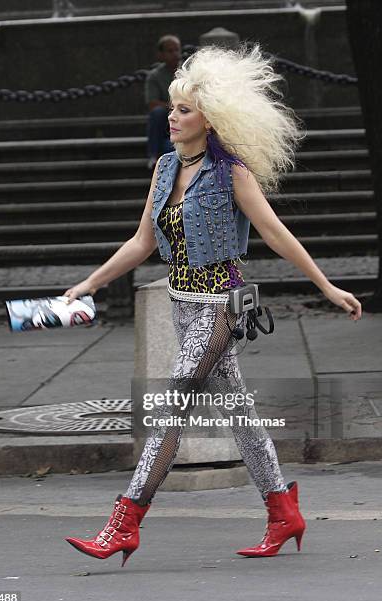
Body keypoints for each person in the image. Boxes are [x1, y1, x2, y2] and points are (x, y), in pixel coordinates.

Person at [63, 44, 362, 566]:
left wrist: (327, 286)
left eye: (183, 109)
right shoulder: (163, 169)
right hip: (183, 303)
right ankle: (283, 512)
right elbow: (142, 243)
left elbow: (276, 233)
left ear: (212, 118)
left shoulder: (231, 173)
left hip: (222, 304)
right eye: (173, 108)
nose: (171, 117)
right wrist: (88, 283)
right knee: (240, 413)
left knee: (170, 408)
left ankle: (124, 522)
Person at [145, 34, 181, 169]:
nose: (175, 54)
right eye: (170, 51)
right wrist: (173, 107)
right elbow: (152, 104)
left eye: (177, 50)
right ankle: (153, 155)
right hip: (166, 117)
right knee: (157, 113)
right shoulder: (154, 76)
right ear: (160, 54)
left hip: (186, 116)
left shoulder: (187, 71)